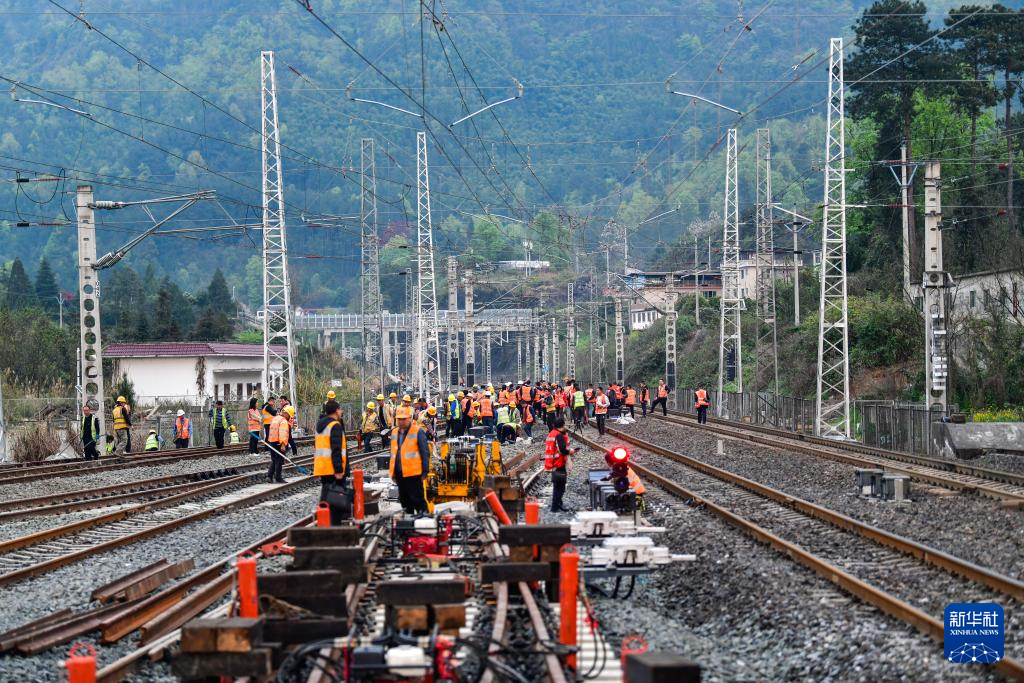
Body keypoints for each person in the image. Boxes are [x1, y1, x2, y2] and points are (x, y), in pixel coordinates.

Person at [389, 405, 430, 514]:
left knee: (417, 499)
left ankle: (425, 518)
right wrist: (393, 472)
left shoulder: (417, 431)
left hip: (414, 473)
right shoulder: (394, 432)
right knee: (405, 501)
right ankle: (409, 520)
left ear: (409, 418)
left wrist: (425, 471)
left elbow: (425, 452)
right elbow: (394, 453)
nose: (401, 421)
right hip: (400, 473)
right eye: (399, 419)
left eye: (403, 419)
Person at [315, 400, 350, 525]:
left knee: (325, 498)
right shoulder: (335, 425)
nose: (341, 412)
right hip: (333, 469)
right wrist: (339, 470)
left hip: (323, 467)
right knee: (336, 501)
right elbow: (336, 449)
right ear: (336, 410)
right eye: (340, 409)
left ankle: (324, 523)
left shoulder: (320, 425)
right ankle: (333, 525)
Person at [545, 417, 577, 513]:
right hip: (558, 463)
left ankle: (557, 504)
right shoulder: (558, 435)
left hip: (552, 463)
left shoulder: (552, 433)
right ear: (562, 425)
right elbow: (562, 449)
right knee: (560, 486)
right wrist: (571, 451)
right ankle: (555, 506)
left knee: (557, 485)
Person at [267, 405, 293, 483]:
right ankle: (278, 478)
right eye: (289, 415)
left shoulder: (275, 418)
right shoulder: (283, 421)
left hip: (272, 441)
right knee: (279, 460)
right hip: (279, 443)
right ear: (286, 413)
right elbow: (283, 433)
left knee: (274, 460)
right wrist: (283, 444)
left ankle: (269, 476)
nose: (290, 417)